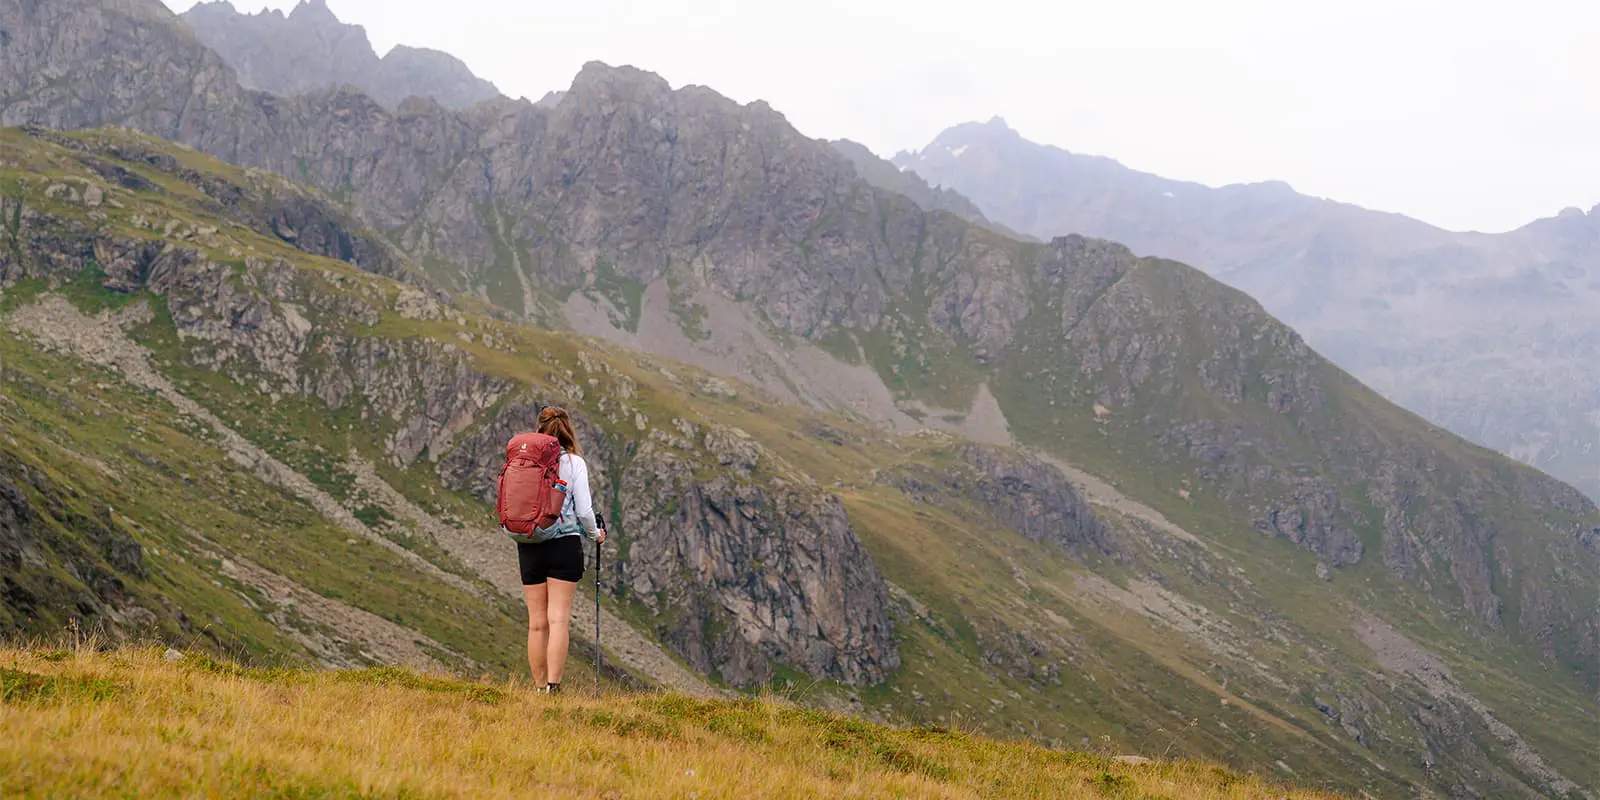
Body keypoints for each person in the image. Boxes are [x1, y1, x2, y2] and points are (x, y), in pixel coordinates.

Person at [519, 406, 604, 694]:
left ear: (540, 428)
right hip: (564, 544)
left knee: (536, 624)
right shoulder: (574, 463)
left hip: (529, 544)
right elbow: (584, 510)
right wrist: (595, 535)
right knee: (558, 620)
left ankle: (538, 687)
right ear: (568, 428)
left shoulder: (527, 461)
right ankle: (553, 688)